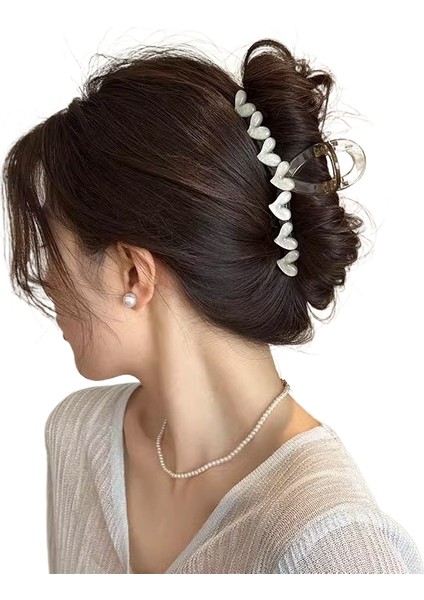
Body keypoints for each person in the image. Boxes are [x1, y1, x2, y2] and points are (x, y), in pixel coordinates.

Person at [3, 37, 423, 574]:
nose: (44, 279)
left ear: (133, 273)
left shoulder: (335, 545)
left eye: (52, 251)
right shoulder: (78, 435)